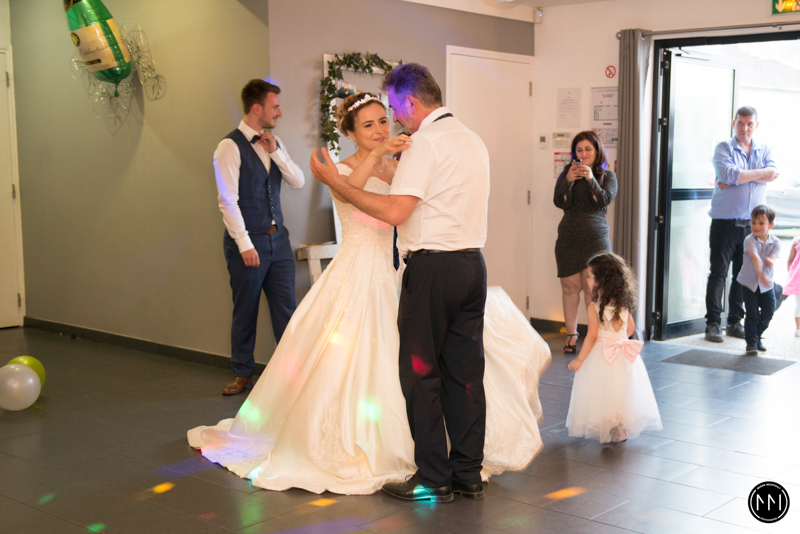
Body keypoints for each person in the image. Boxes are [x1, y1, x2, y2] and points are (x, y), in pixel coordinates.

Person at [188, 90, 550, 497]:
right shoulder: (342, 168)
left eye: (383, 121)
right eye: (368, 125)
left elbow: (410, 204)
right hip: (356, 270)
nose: (379, 129)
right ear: (350, 132)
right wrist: (376, 156)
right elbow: (347, 191)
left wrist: (391, 162)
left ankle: (436, 461)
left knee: (418, 364)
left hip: (397, 272)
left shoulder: (402, 165)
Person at [310, 65, 504, 503]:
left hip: (433, 270)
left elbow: (396, 212)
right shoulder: (471, 139)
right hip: (472, 266)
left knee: (421, 374)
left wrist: (337, 183)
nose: (395, 119)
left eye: (395, 109)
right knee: (466, 374)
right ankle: (468, 473)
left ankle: (433, 477)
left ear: (411, 102)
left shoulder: (425, 144)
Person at [214, 79, 305, 395]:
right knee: (246, 310)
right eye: (274, 106)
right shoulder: (229, 147)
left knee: (286, 310)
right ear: (257, 108)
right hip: (248, 243)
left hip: (278, 242)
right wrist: (244, 244)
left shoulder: (274, 143)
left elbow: (298, 181)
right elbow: (227, 200)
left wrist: (276, 152)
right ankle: (242, 373)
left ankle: (292, 373)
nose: (279, 112)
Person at [566, 252, 662, 444]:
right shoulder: (623, 305)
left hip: (603, 356)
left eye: (589, 276)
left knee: (603, 391)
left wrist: (580, 360)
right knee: (621, 389)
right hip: (622, 355)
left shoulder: (594, 308)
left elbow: (592, 336)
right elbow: (631, 328)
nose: (587, 280)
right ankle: (620, 427)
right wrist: (618, 339)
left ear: (601, 280)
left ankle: (607, 425)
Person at [705, 106, 778, 343]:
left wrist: (739, 176)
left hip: (753, 227)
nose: (744, 128)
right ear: (733, 123)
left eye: (749, 124)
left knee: (742, 276)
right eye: (740, 123)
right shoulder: (723, 148)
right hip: (725, 224)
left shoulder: (764, 149)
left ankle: (734, 322)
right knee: (718, 274)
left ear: (756, 125)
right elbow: (727, 174)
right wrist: (756, 175)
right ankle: (713, 323)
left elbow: (773, 173)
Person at [553, 132, 617, 354]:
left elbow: (603, 200)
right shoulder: (567, 174)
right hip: (568, 239)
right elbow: (559, 201)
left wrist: (590, 179)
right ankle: (571, 336)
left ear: (597, 150)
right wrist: (568, 182)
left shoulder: (607, 176)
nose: (584, 153)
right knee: (570, 288)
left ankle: (594, 337)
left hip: (595, 241)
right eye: (579, 150)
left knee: (593, 290)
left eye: (588, 149)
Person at [737, 205, 781, 355]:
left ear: (771, 225)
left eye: (761, 223)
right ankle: (751, 342)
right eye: (753, 222)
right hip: (749, 284)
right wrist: (761, 274)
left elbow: (774, 256)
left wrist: (771, 260)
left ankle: (756, 335)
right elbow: (755, 258)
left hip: (766, 285)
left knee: (769, 312)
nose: (756, 226)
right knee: (752, 314)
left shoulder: (776, 242)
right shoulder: (749, 240)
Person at [784, 236, 800, 337]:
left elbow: (790, 260)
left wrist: (790, 274)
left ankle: (798, 329)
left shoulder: (797, 240)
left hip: (798, 277)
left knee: (799, 304)